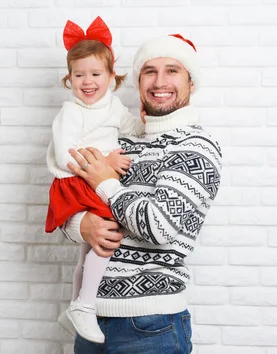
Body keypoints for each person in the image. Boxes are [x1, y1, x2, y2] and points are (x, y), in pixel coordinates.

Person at [59, 33, 223, 354]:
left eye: (172, 70)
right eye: (150, 71)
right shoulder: (119, 140)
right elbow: (70, 201)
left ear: (192, 82)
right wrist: (82, 226)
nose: (159, 81)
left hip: (151, 325)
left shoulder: (196, 147)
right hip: (90, 320)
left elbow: (158, 227)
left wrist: (106, 182)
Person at [44, 17, 144, 343]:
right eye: (79, 75)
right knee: (107, 234)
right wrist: (106, 161)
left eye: (96, 74)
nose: (87, 82)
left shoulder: (113, 106)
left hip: (92, 182)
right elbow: (65, 156)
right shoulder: (70, 112)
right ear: (68, 79)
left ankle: (74, 305)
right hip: (74, 183)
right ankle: (86, 305)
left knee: (87, 249)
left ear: (112, 77)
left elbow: (133, 130)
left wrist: (147, 120)